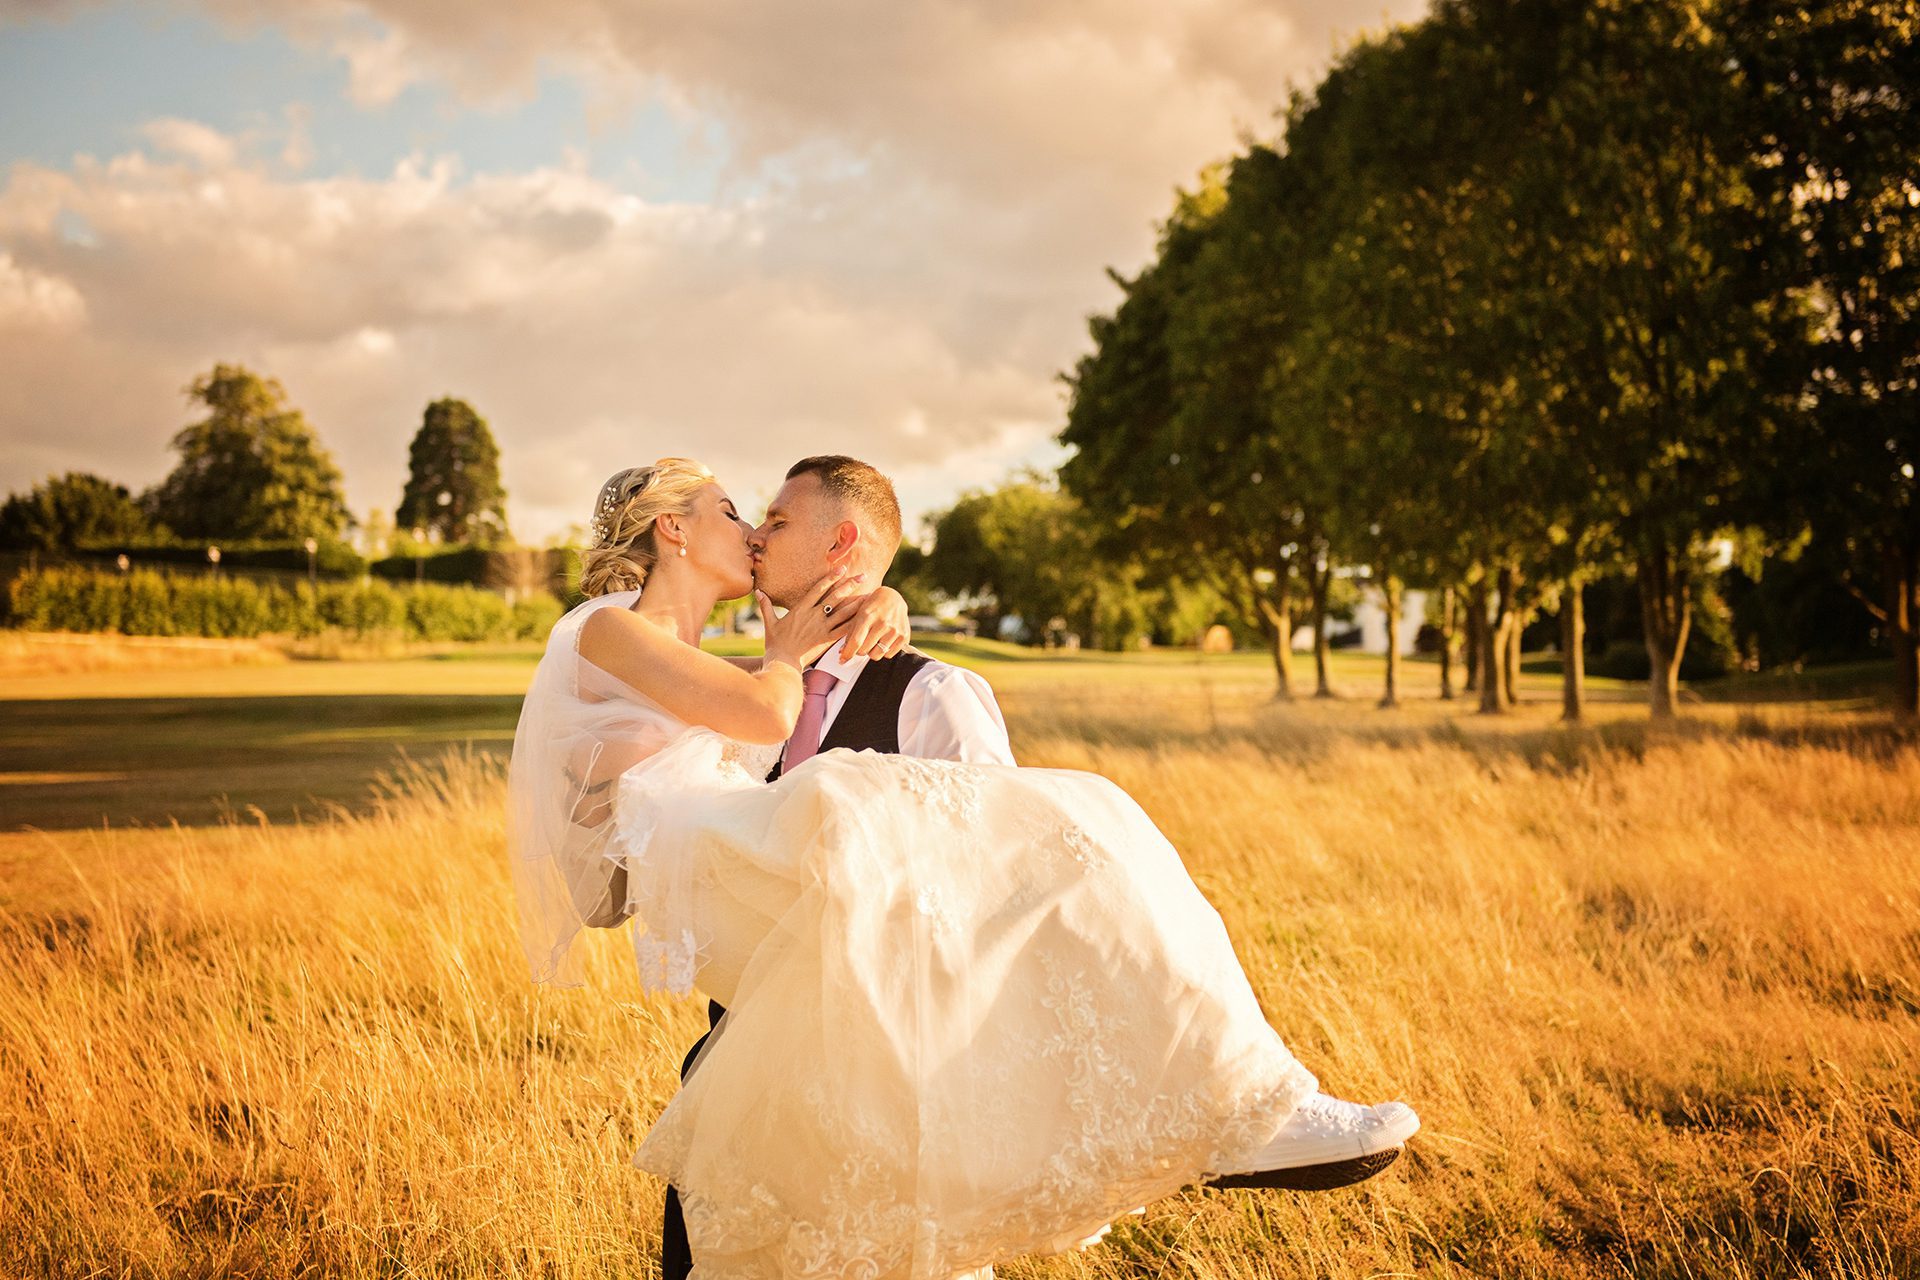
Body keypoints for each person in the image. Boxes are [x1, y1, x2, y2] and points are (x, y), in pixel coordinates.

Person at [507, 457, 1420, 1280]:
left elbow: (988, 886)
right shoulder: (613, 636)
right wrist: (783, 658)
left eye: (771, 519)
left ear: (842, 545)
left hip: (878, 1057)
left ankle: (1244, 1103)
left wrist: (876, 606)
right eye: (735, 511)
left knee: (1075, 820)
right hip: (737, 977)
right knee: (856, 803)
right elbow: (755, 717)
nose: (751, 532)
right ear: (673, 528)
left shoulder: (837, 680)